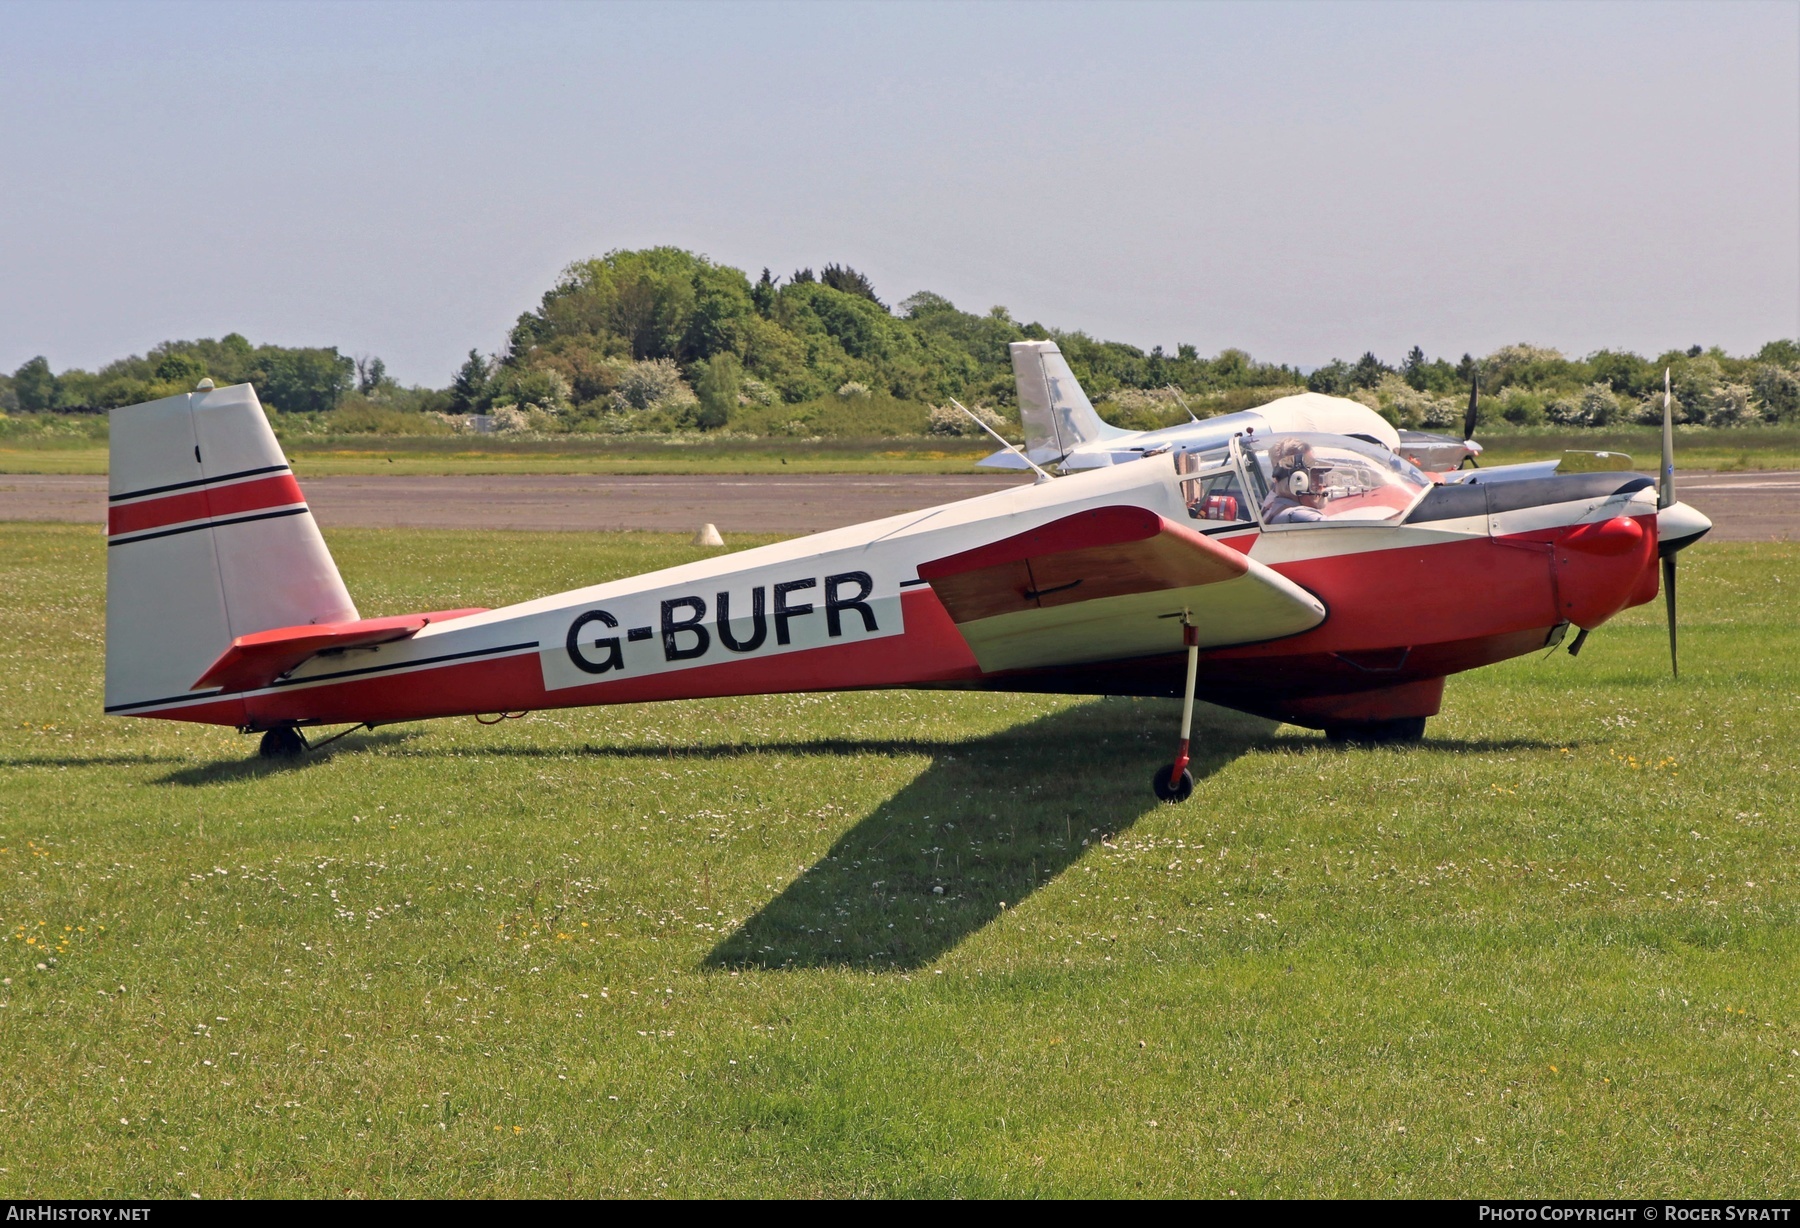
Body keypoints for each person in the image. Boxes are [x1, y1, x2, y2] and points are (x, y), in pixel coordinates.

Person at [1261, 438, 1331, 523]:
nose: (1322, 484)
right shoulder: (1296, 515)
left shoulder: (1275, 505)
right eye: (1313, 475)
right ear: (1297, 480)